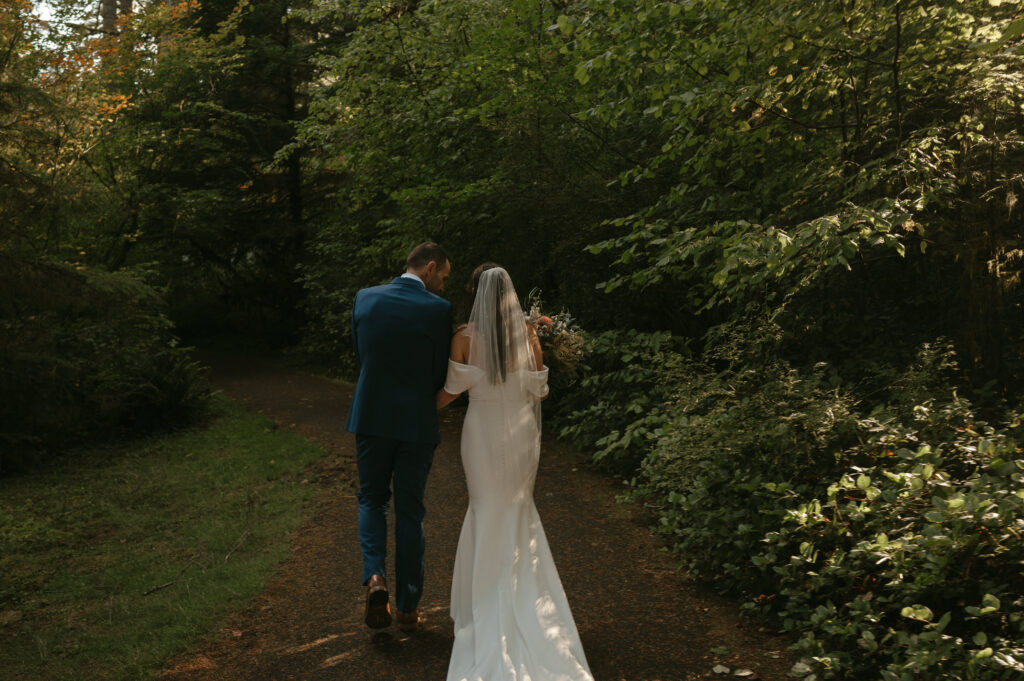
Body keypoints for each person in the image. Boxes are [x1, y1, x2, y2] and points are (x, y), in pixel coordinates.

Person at [438, 264, 594, 681]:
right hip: (522, 432)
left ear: (474, 295)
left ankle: (483, 604)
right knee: (518, 509)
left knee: (486, 508)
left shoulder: (463, 338)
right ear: (511, 297)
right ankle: (527, 598)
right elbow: (538, 388)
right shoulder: (525, 334)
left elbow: (452, 392)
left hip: (482, 432)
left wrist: (415, 410)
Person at [346, 242, 453, 633]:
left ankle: (375, 579)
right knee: (410, 510)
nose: (442, 285)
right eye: (442, 276)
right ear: (428, 268)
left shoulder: (365, 299)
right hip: (415, 424)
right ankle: (408, 606)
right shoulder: (438, 310)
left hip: (371, 417)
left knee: (371, 499)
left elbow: (363, 356)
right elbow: (440, 370)